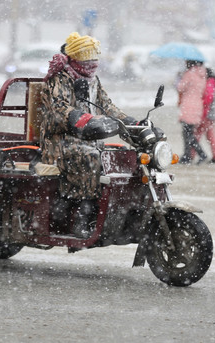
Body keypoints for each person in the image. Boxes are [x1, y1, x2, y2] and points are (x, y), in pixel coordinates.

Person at [40, 32, 146, 238]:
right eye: (87, 56)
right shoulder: (59, 78)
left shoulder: (92, 79)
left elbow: (106, 106)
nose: (92, 61)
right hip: (59, 140)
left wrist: (131, 122)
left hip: (87, 138)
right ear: (75, 56)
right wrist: (82, 118)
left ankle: (112, 209)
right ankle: (82, 214)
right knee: (91, 158)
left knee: (122, 156)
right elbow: (58, 109)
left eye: (94, 56)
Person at [176, 59, 207, 164]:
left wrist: (180, 77)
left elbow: (180, 87)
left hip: (188, 105)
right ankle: (188, 155)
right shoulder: (202, 75)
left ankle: (198, 154)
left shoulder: (189, 74)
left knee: (187, 133)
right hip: (197, 105)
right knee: (189, 132)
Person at [195, 67, 215, 163]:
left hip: (206, 115)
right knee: (210, 137)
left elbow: (208, 98)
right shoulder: (213, 82)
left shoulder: (209, 82)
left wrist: (203, 110)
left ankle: (192, 155)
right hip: (210, 115)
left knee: (196, 135)